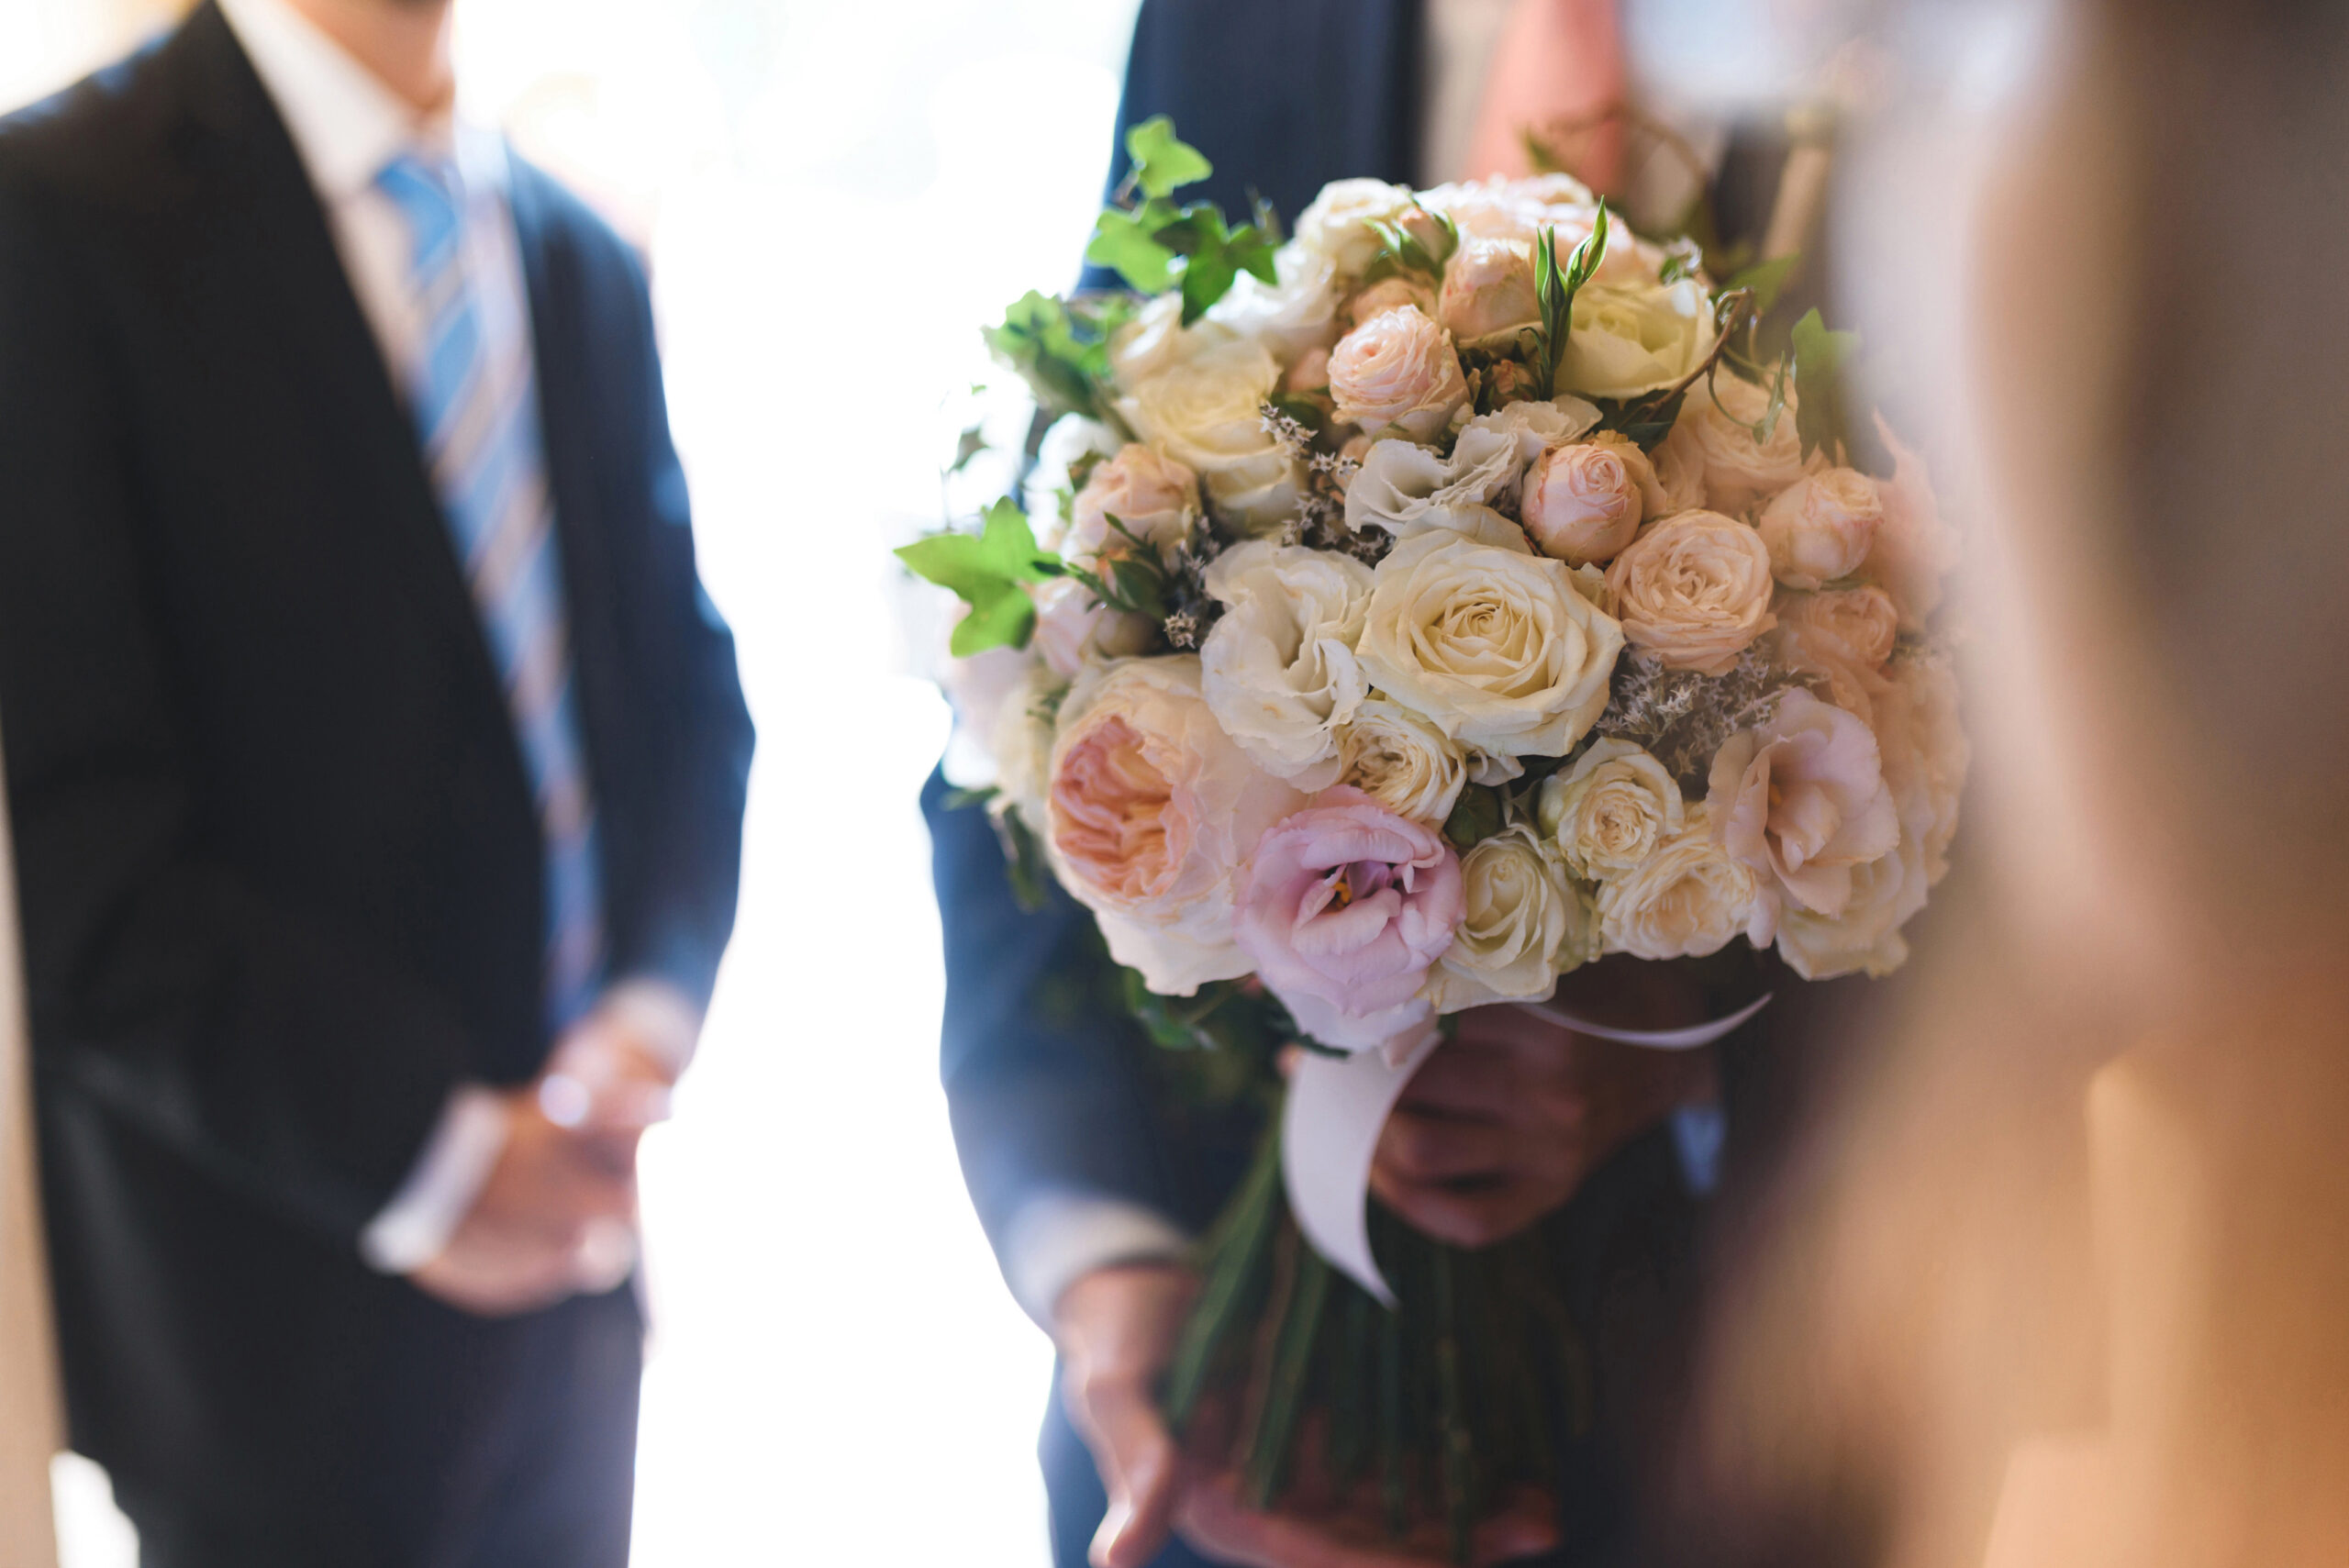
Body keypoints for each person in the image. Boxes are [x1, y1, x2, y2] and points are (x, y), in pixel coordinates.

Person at [930, 5, 1802, 1564]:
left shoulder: (1967, 52)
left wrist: (1687, 1061)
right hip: (1228, 1417)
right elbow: (1057, 628)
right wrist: (1103, 1255)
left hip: (1747, 1419)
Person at [0, 0, 753, 1562]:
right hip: (268, 1312)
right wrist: (442, 1156)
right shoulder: (50, 212)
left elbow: (686, 707)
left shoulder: (568, 247)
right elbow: (75, 838)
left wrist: (642, 1022)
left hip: (578, 1283)